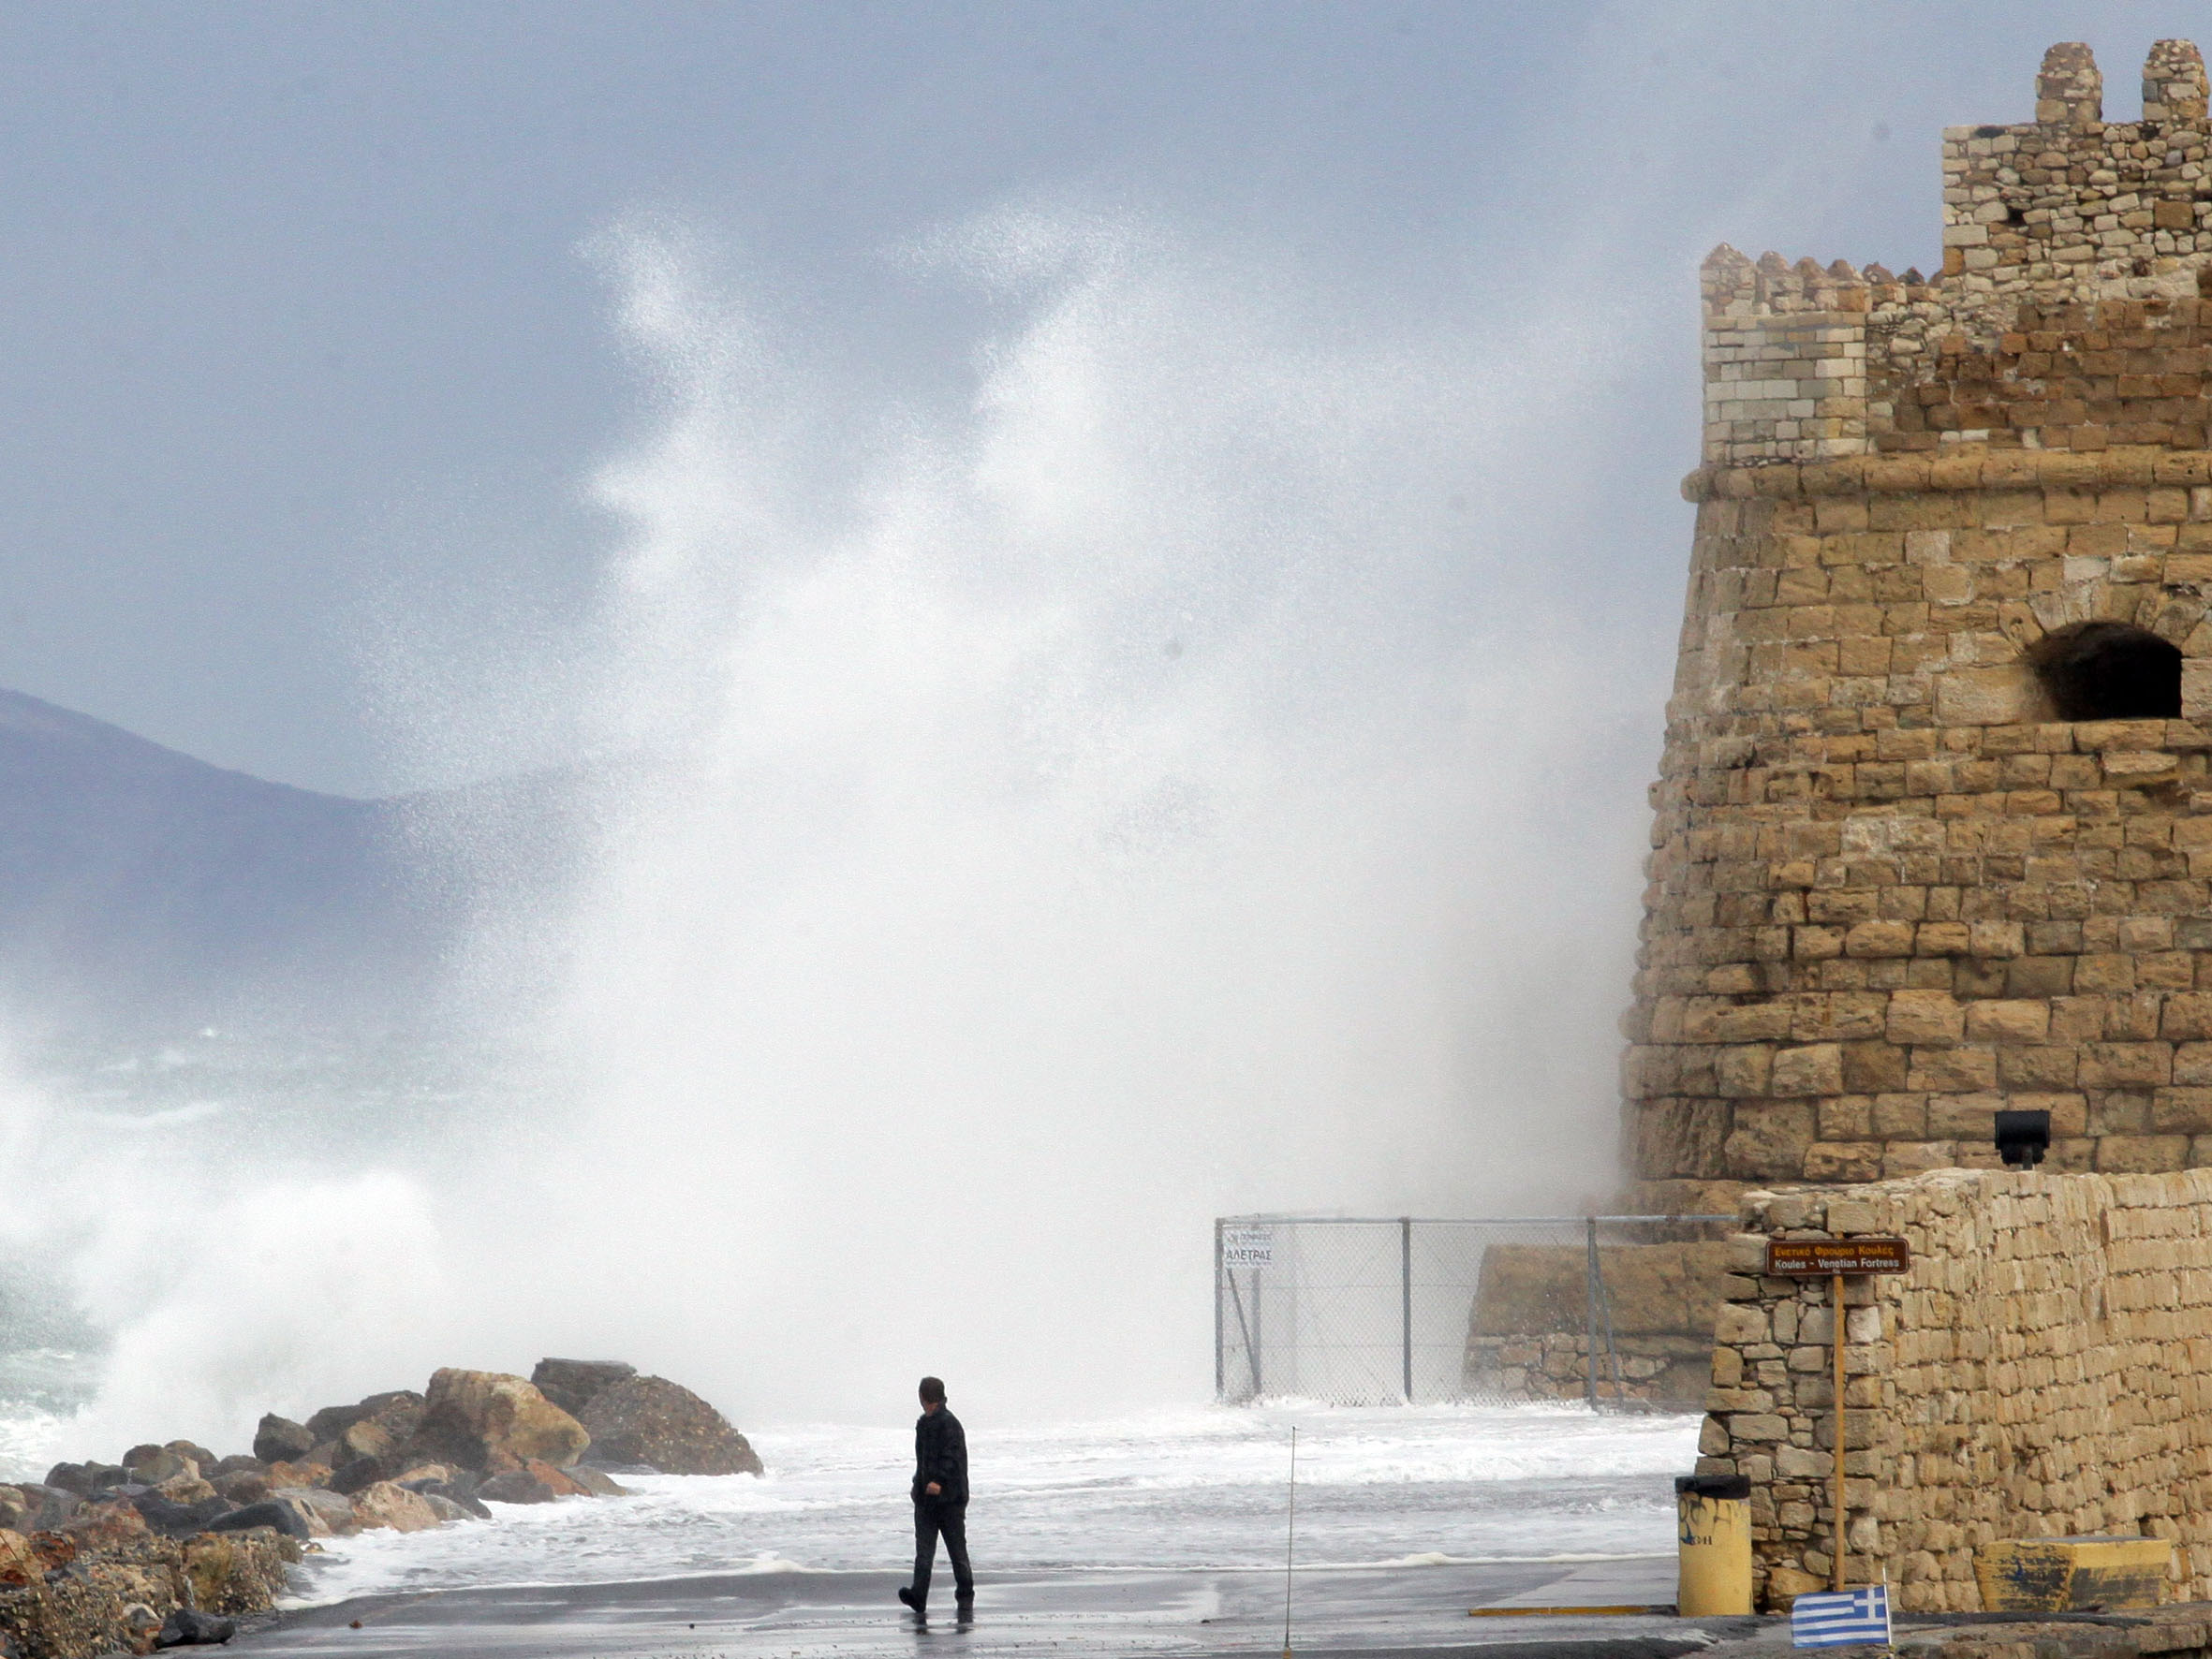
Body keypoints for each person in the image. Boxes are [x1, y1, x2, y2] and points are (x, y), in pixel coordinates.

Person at [897, 1375, 972, 1617]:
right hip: (926, 1501)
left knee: (957, 1551)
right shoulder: (923, 1424)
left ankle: (965, 1594)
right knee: (924, 1552)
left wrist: (938, 1481)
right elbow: (923, 1462)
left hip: (950, 1500)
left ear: (923, 1396)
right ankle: (918, 1596)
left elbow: (952, 1458)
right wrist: (917, 1485)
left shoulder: (949, 1424)